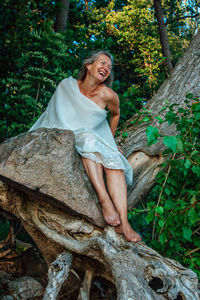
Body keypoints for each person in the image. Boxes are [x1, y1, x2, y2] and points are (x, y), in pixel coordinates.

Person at [29, 50, 142, 242]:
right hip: (66, 133)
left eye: (109, 67)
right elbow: (53, 113)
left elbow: (115, 114)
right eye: (102, 63)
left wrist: (111, 141)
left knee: (113, 159)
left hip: (94, 136)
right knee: (88, 140)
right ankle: (105, 201)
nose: (106, 68)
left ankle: (124, 223)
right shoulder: (67, 86)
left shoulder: (108, 95)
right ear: (89, 66)